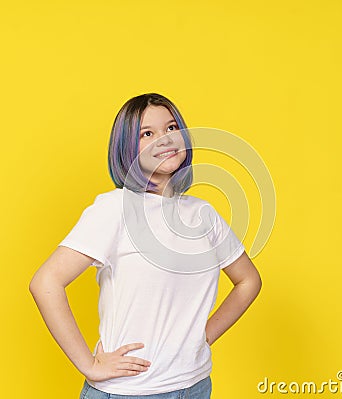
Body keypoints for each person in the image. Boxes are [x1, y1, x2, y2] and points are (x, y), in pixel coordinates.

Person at [29, 93, 262, 399]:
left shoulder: (203, 213)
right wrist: (89, 365)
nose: (164, 139)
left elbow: (248, 280)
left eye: (171, 128)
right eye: (147, 134)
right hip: (131, 392)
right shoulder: (115, 209)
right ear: (127, 148)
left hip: (195, 385)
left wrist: (204, 336)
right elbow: (45, 282)